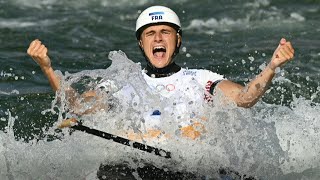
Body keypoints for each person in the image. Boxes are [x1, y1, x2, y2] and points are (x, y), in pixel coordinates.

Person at [27, 5, 294, 179]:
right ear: (141, 43)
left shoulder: (202, 79)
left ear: (177, 40)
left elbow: (244, 98)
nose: (157, 38)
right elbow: (78, 108)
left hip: (191, 170)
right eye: (150, 33)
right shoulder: (120, 82)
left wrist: (271, 67)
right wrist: (48, 69)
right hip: (134, 170)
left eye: (165, 32)